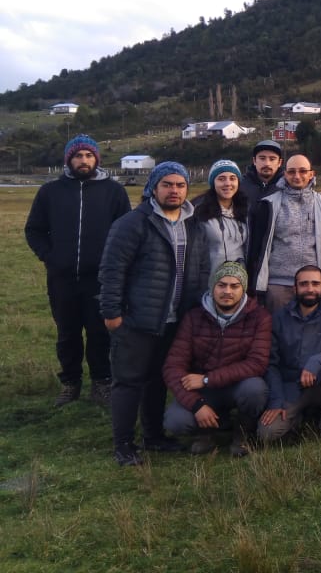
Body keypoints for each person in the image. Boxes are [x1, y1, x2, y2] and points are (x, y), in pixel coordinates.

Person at [99, 161, 209, 466]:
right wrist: (112, 313)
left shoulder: (193, 223)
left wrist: (195, 312)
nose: (174, 191)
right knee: (129, 381)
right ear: (153, 188)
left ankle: (153, 436)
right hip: (137, 319)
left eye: (180, 185)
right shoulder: (133, 224)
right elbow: (112, 271)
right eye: (167, 185)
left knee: (158, 380)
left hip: (175, 320)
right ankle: (123, 444)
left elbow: (200, 270)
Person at [25, 134, 130, 406]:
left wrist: (114, 265)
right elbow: (34, 230)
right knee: (67, 333)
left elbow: (125, 233)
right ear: (68, 160)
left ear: (97, 158)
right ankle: (70, 383)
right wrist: (51, 257)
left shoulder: (113, 191)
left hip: (100, 279)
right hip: (62, 278)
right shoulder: (50, 192)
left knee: (100, 332)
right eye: (78, 156)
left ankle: (101, 383)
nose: (83, 161)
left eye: (88, 156)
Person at [161, 261, 271, 457]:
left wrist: (207, 379)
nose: (227, 291)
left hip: (237, 385)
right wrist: (197, 405)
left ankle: (243, 432)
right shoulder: (194, 317)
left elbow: (257, 363)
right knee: (175, 421)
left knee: (255, 390)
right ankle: (206, 432)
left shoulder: (259, 317)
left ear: (243, 289)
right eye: (222, 285)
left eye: (234, 286)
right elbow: (172, 366)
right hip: (203, 391)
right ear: (213, 287)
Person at [258, 265, 321, 443]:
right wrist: (276, 401)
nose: (310, 289)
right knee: (267, 433)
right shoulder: (278, 318)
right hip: (291, 386)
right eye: (304, 284)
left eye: (315, 284)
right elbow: (272, 364)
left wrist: (316, 363)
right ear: (295, 289)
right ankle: (298, 418)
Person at [247, 154, 321, 314]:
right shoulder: (268, 204)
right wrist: (254, 287)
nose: (297, 176)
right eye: (291, 172)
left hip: (312, 285)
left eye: (302, 171)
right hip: (277, 287)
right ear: (284, 174)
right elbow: (256, 250)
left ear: (311, 174)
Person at [192, 159, 249, 275]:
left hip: (238, 282)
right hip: (209, 280)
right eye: (221, 179)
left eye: (232, 178)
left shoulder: (246, 210)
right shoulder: (200, 212)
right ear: (213, 183)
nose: (228, 183)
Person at [239, 140, 285, 209]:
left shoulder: (287, 186)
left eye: (272, 159)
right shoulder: (240, 185)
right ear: (254, 161)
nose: (267, 163)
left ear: (279, 162)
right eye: (262, 158)